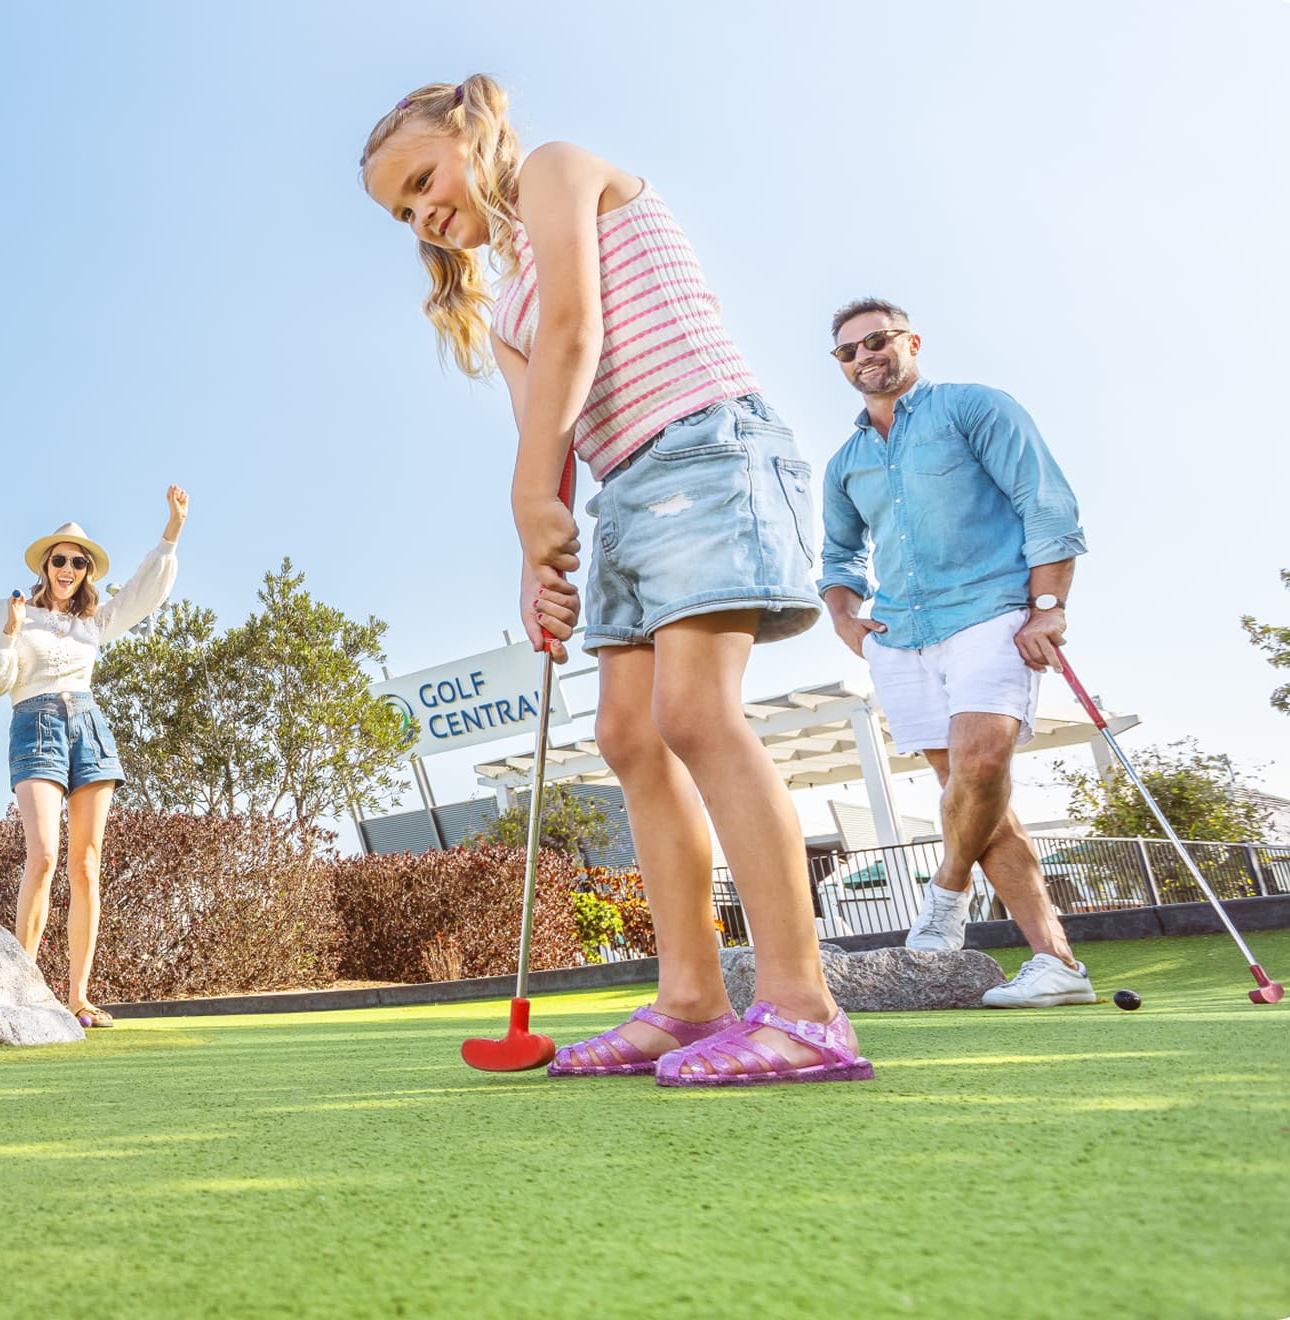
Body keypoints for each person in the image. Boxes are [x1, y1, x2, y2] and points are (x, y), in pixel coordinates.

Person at [361, 75, 869, 1085]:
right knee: (625, 733)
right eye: (401, 212)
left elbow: (577, 333)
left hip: (705, 445)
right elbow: (539, 437)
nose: (422, 214)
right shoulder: (501, 308)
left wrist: (529, 502)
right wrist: (532, 560)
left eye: (422, 179)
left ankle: (804, 1009)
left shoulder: (559, 170)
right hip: (624, 490)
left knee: (693, 714)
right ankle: (687, 1000)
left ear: (470, 131)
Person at [818, 296, 1095, 1008]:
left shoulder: (976, 407)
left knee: (981, 763)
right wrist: (846, 617)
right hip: (901, 635)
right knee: (975, 801)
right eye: (848, 351)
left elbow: (1046, 503)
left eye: (876, 341)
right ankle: (1057, 962)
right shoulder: (845, 462)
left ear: (910, 341)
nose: (863, 358)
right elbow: (838, 556)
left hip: (991, 613)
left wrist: (1047, 607)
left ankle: (947, 891)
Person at [0, 486, 187, 1028]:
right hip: (35, 724)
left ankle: (78, 999)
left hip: (89, 727)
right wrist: (8, 635)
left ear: (87, 572)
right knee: (43, 854)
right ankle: (21, 994)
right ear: (46, 565)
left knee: (85, 865)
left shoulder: (93, 622)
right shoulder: (11, 610)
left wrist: (172, 531)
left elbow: (143, 594)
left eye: (78, 562)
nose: (68, 567)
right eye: (60, 559)